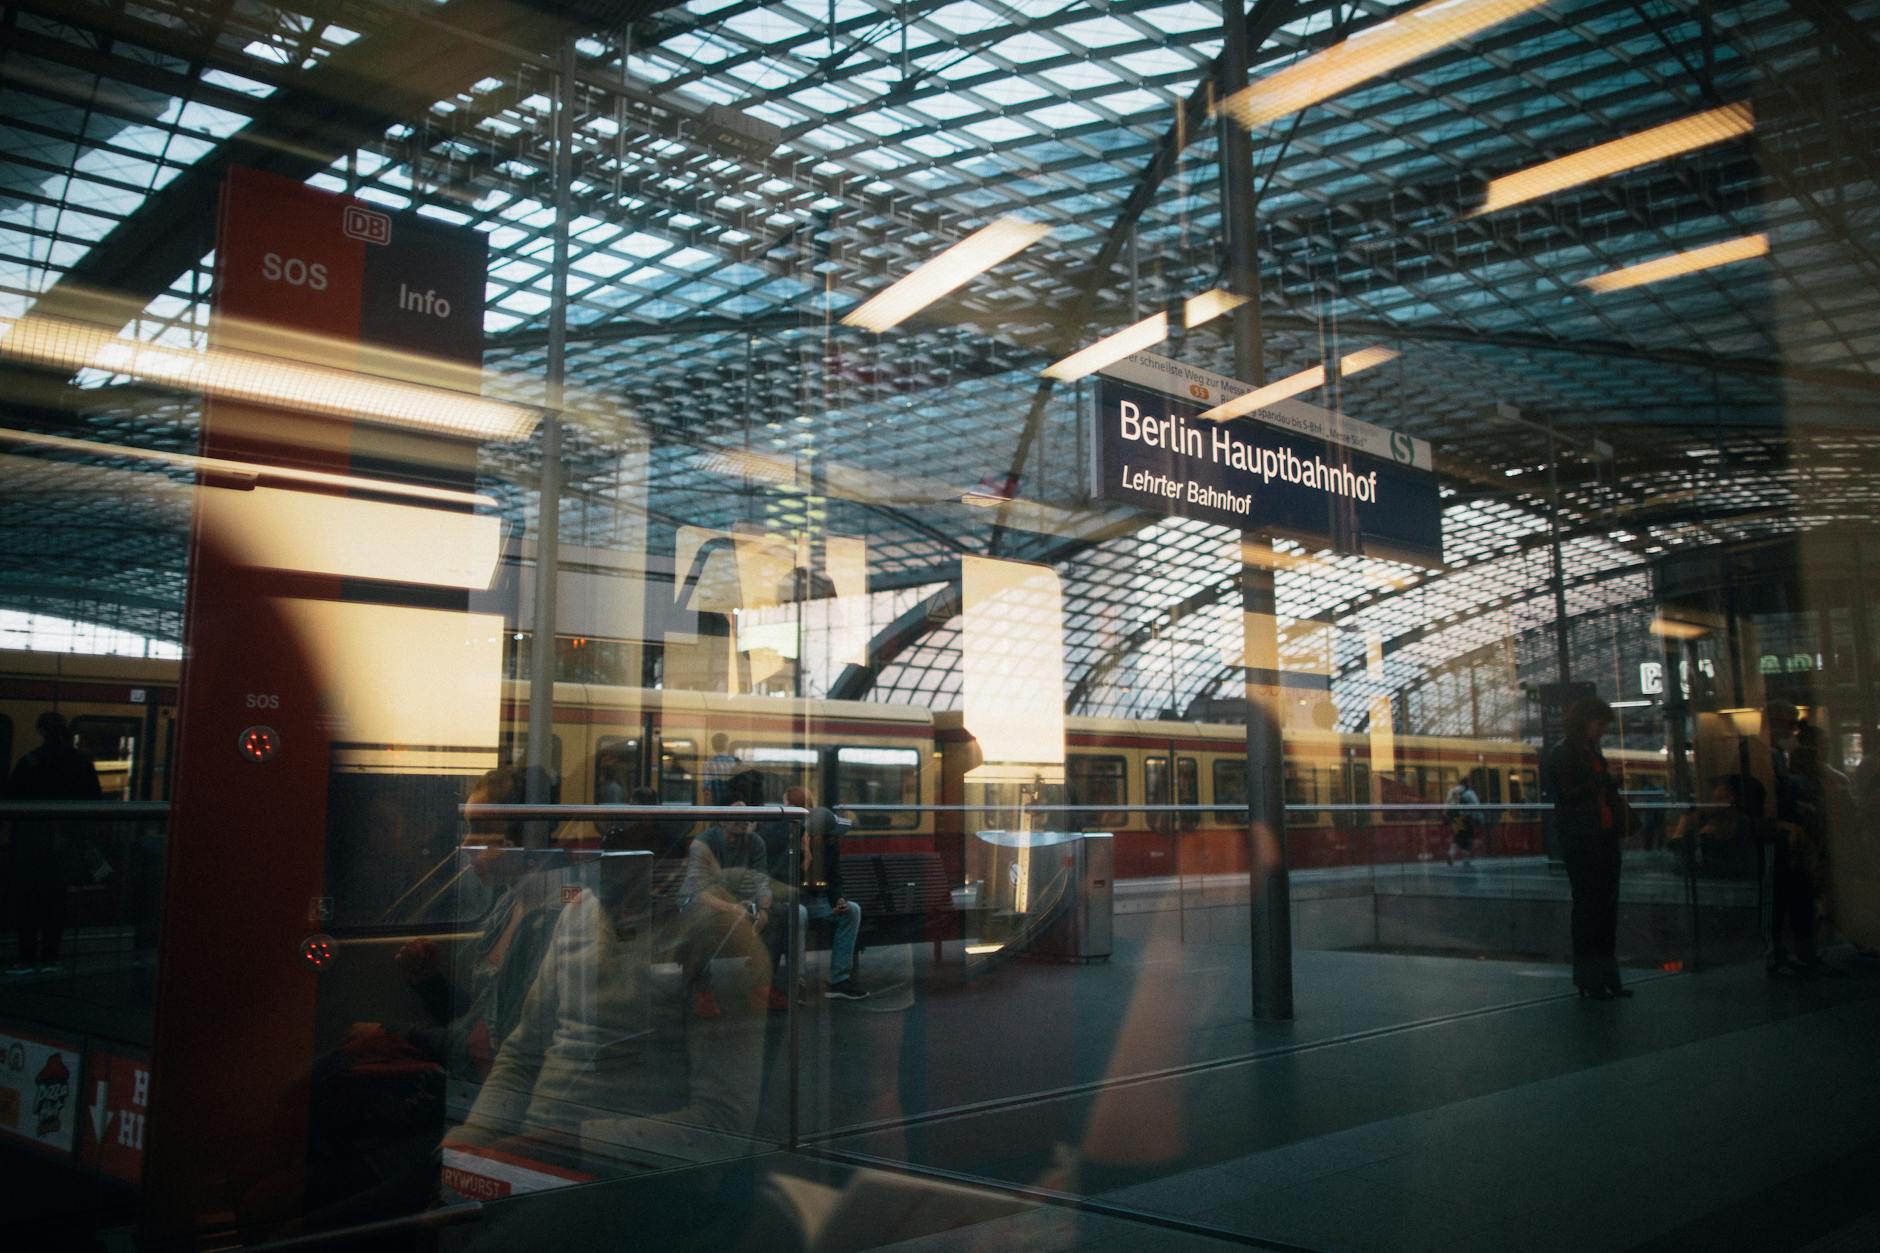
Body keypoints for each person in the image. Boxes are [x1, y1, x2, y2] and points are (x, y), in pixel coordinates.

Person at [1548, 696, 1632, 999]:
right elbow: (1567, 794)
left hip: (1603, 836)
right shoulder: (1564, 753)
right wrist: (1603, 778)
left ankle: (1607, 979)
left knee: (1605, 909)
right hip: (1582, 841)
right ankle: (1591, 979)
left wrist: (1607, 780)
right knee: (1589, 910)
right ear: (1585, 721)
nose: (1602, 730)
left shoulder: (1591, 752)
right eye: (1599, 723)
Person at [5, 711, 102, 975]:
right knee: (56, 900)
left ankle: (26, 956)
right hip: (66, 845)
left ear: (41, 732)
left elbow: (11, 798)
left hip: (31, 844)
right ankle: (51, 954)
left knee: (28, 901)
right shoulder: (81, 764)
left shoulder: (30, 763)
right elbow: (96, 802)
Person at [677, 802, 774, 1019]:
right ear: (721, 820)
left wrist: (764, 909)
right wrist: (731, 908)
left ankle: (764, 987)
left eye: (746, 817)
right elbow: (698, 891)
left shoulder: (755, 841)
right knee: (702, 925)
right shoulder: (703, 843)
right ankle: (703, 992)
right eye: (736, 817)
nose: (743, 822)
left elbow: (762, 880)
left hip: (737, 903)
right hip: (699, 903)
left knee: (783, 918)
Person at [775, 786, 868, 1002]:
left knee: (852, 911)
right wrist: (804, 862)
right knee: (799, 914)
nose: (829, 842)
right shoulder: (789, 840)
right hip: (793, 900)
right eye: (824, 838)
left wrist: (839, 899)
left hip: (819, 901)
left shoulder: (830, 845)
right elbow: (784, 884)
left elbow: (834, 879)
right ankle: (797, 983)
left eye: (830, 837)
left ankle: (839, 979)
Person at [1443, 774, 1480, 867]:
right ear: (1468, 783)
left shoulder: (1452, 791)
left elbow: (1447, 804)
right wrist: (1479, 818)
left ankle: (1451, 854)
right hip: (1466, 818)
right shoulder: (1469, 793)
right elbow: (1476, 805)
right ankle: (1466, 860)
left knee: (1457, 838)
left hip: (1455, 818)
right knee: (1467, 839)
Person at [701, 733, 740, 805]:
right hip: (734, 806)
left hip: (718, 807)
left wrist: (707, 811)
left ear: (713, 746)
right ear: (727, 745)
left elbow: (707, 791)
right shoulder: (735, 762)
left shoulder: (707, 764)